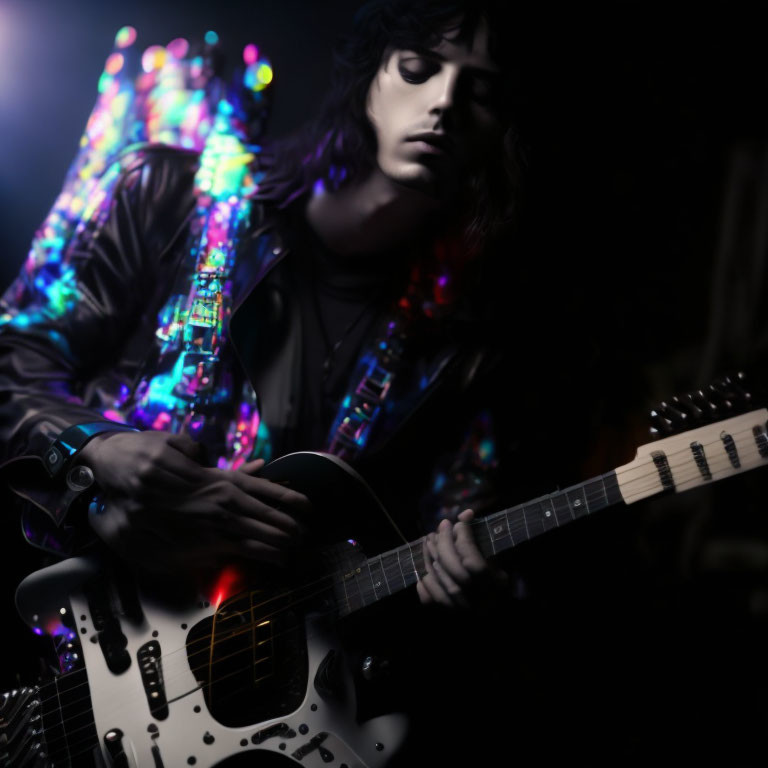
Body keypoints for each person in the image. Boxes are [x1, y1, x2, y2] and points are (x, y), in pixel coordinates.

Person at [0, 0, 532, 764]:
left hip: (243, 724)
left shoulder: (462, 353)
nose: (443, 104)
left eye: (478, 91)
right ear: (369, 80)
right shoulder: (169, 194)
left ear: (499, 130)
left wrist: (469, 590)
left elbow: (456, 545)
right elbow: (13, 357)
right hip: (61, 649)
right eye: (418, 68)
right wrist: (103, 452)